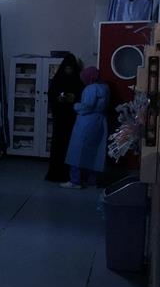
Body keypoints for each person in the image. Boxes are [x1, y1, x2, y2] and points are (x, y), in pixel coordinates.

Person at [61, 66, 110, 189]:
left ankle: (75, 181)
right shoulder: (105, 87)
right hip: (99, 121)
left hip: (87, 122)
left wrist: (75, 105)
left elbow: (87, 106)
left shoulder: (91, 88)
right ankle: (92, 180)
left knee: (76, 151)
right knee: (93, 152)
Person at [44, 53, 84, 182]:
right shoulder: (57, 80)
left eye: (70, 69)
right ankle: (56, 173)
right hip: (60, 118)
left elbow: (83, 98)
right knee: (58, 145)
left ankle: (70, 175)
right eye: (66, 68)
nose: (68, 71)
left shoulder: (78, 81)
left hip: (72, 119)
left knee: (71, 146)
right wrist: (58, 99)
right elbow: (51, 95)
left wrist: (74, 99)